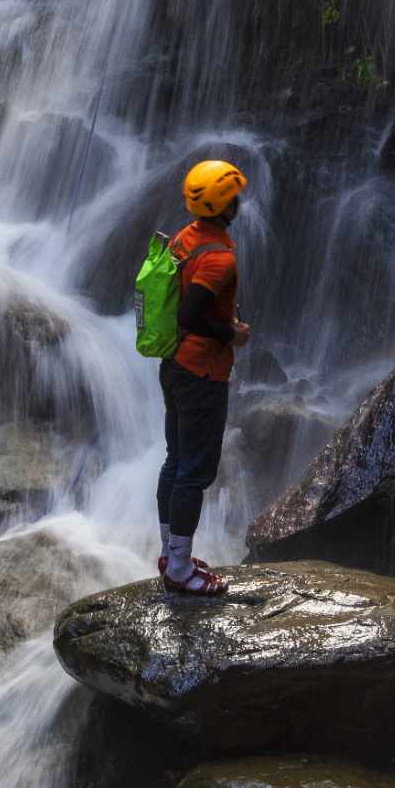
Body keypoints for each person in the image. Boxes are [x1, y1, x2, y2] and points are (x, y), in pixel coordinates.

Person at [154, 159, 250, 596]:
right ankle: (179, 570)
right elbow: (193, 314)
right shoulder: (218, 259)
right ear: (225, 204)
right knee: (195, 471)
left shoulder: (184, 239)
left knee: (175, 461)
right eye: (235, 196)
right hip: (201, 373)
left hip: (173, 364)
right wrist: (232, 332)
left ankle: (170, 552)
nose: (240, 202)